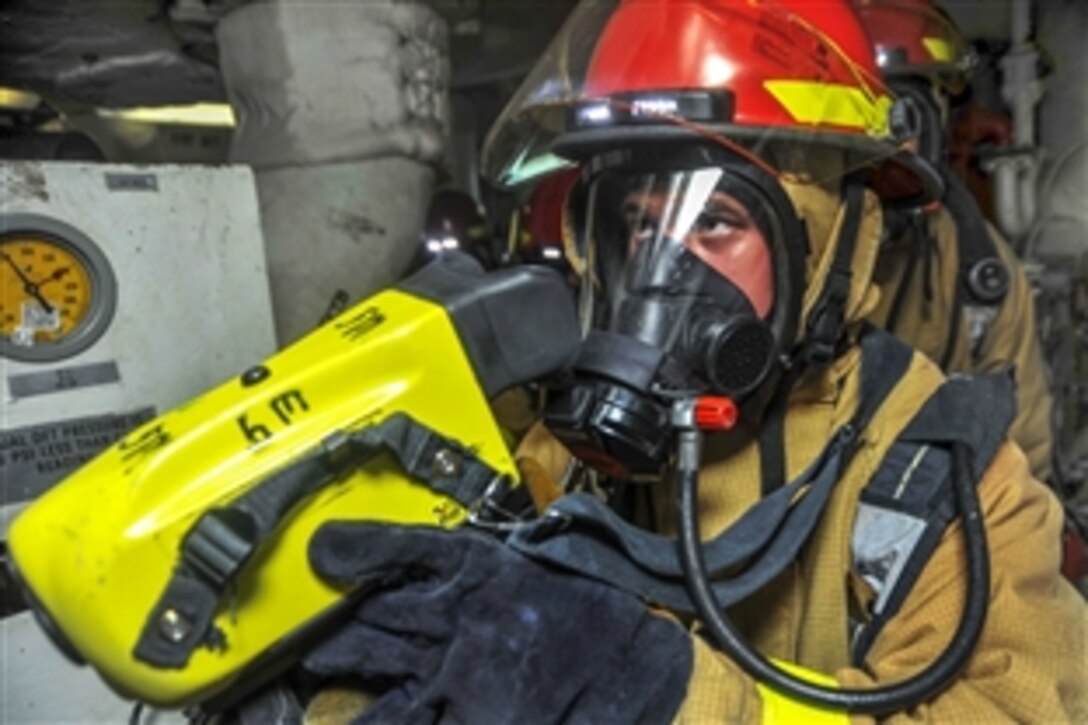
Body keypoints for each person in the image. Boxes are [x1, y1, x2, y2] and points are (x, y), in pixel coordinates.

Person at [234, 1, 1085, 722]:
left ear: (829, 250)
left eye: (714, 223)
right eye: (638, 227)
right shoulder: (556, 453)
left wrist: (662, 692)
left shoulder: (943, 476)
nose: (660, 277)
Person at [851, 0, 1056, 483]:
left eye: (907, 120)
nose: (891, 148)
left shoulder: (978, 273)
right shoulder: (758, 249)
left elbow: (1023, 463)